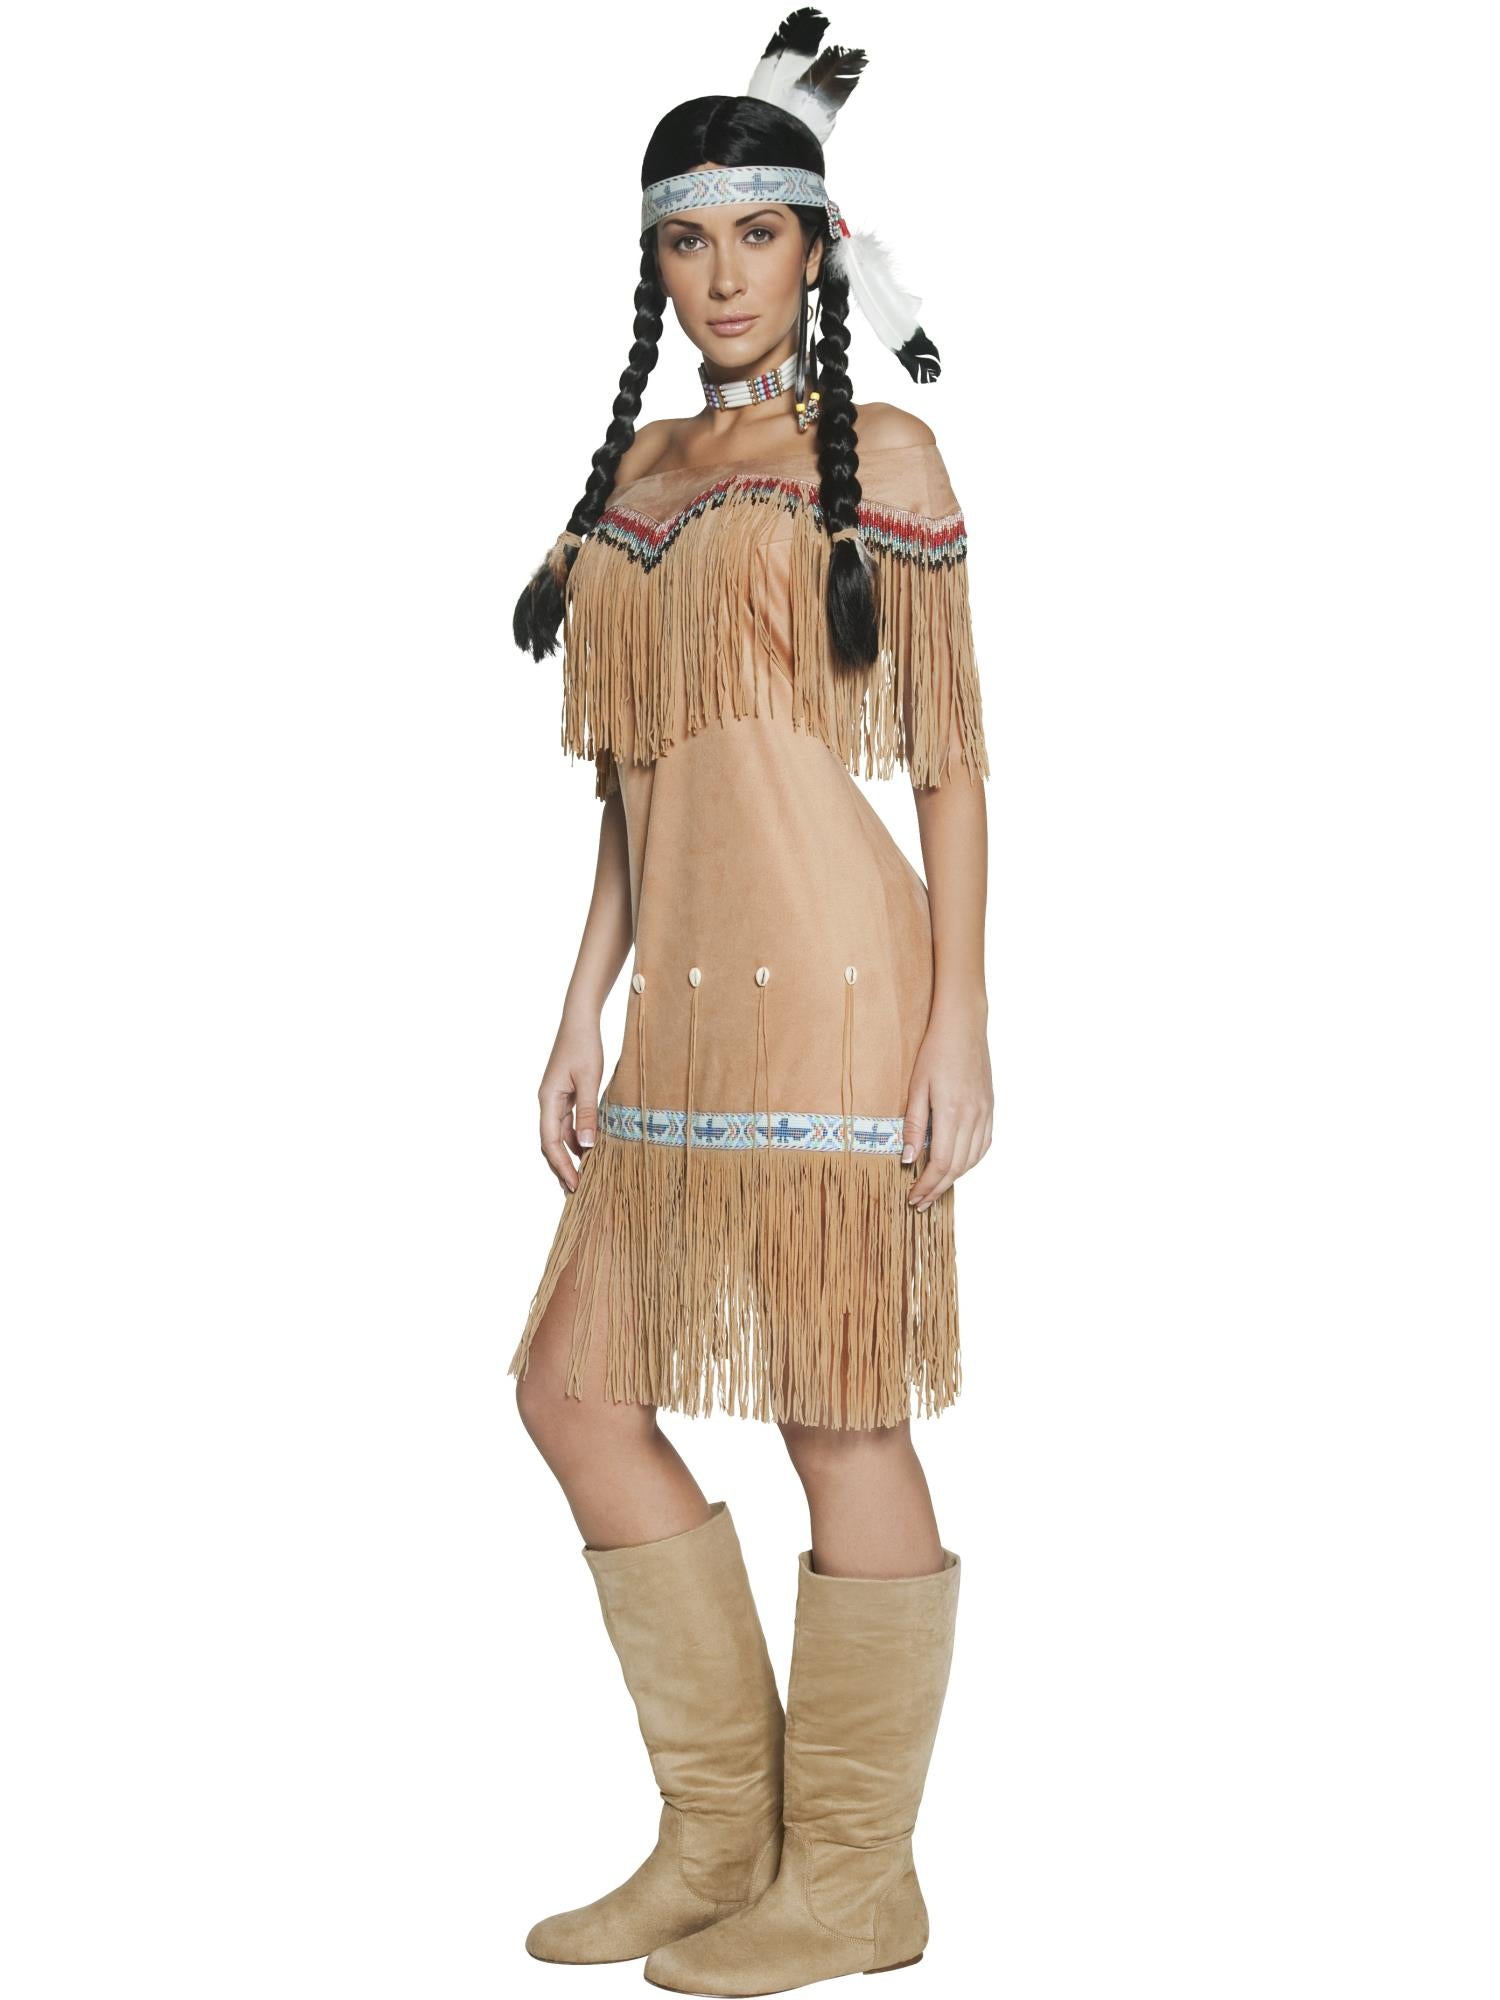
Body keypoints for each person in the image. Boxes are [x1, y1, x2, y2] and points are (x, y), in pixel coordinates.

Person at [507, 12, 991, 1992]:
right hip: (685, 1008)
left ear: (817, 247)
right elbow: (635, 776)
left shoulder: (887, 461)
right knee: (571, 1390)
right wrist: (579, 1008)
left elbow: (950, 763)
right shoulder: (637, 474)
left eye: (756, 235)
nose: (720, 276)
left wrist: (962, 1024)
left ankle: (855, 1878)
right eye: (686, 240)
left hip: (844, 991)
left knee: (833, 1411)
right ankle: (722, 1839)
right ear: (655, 260)